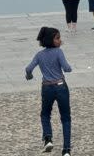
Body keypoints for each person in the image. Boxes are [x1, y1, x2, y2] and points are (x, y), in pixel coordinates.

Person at [25, 26, 72, 156]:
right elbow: (66, 68)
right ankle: (66, 150)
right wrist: (69, 69)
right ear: (51, 40)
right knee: (66, 118)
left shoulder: (39, 55)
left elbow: (28, 68)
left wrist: (29, 76)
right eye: (57, 38)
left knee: (45, 114)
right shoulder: (59, 52)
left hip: (47, 88)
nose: (60, 40)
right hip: (61, 86)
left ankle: (47, 138)